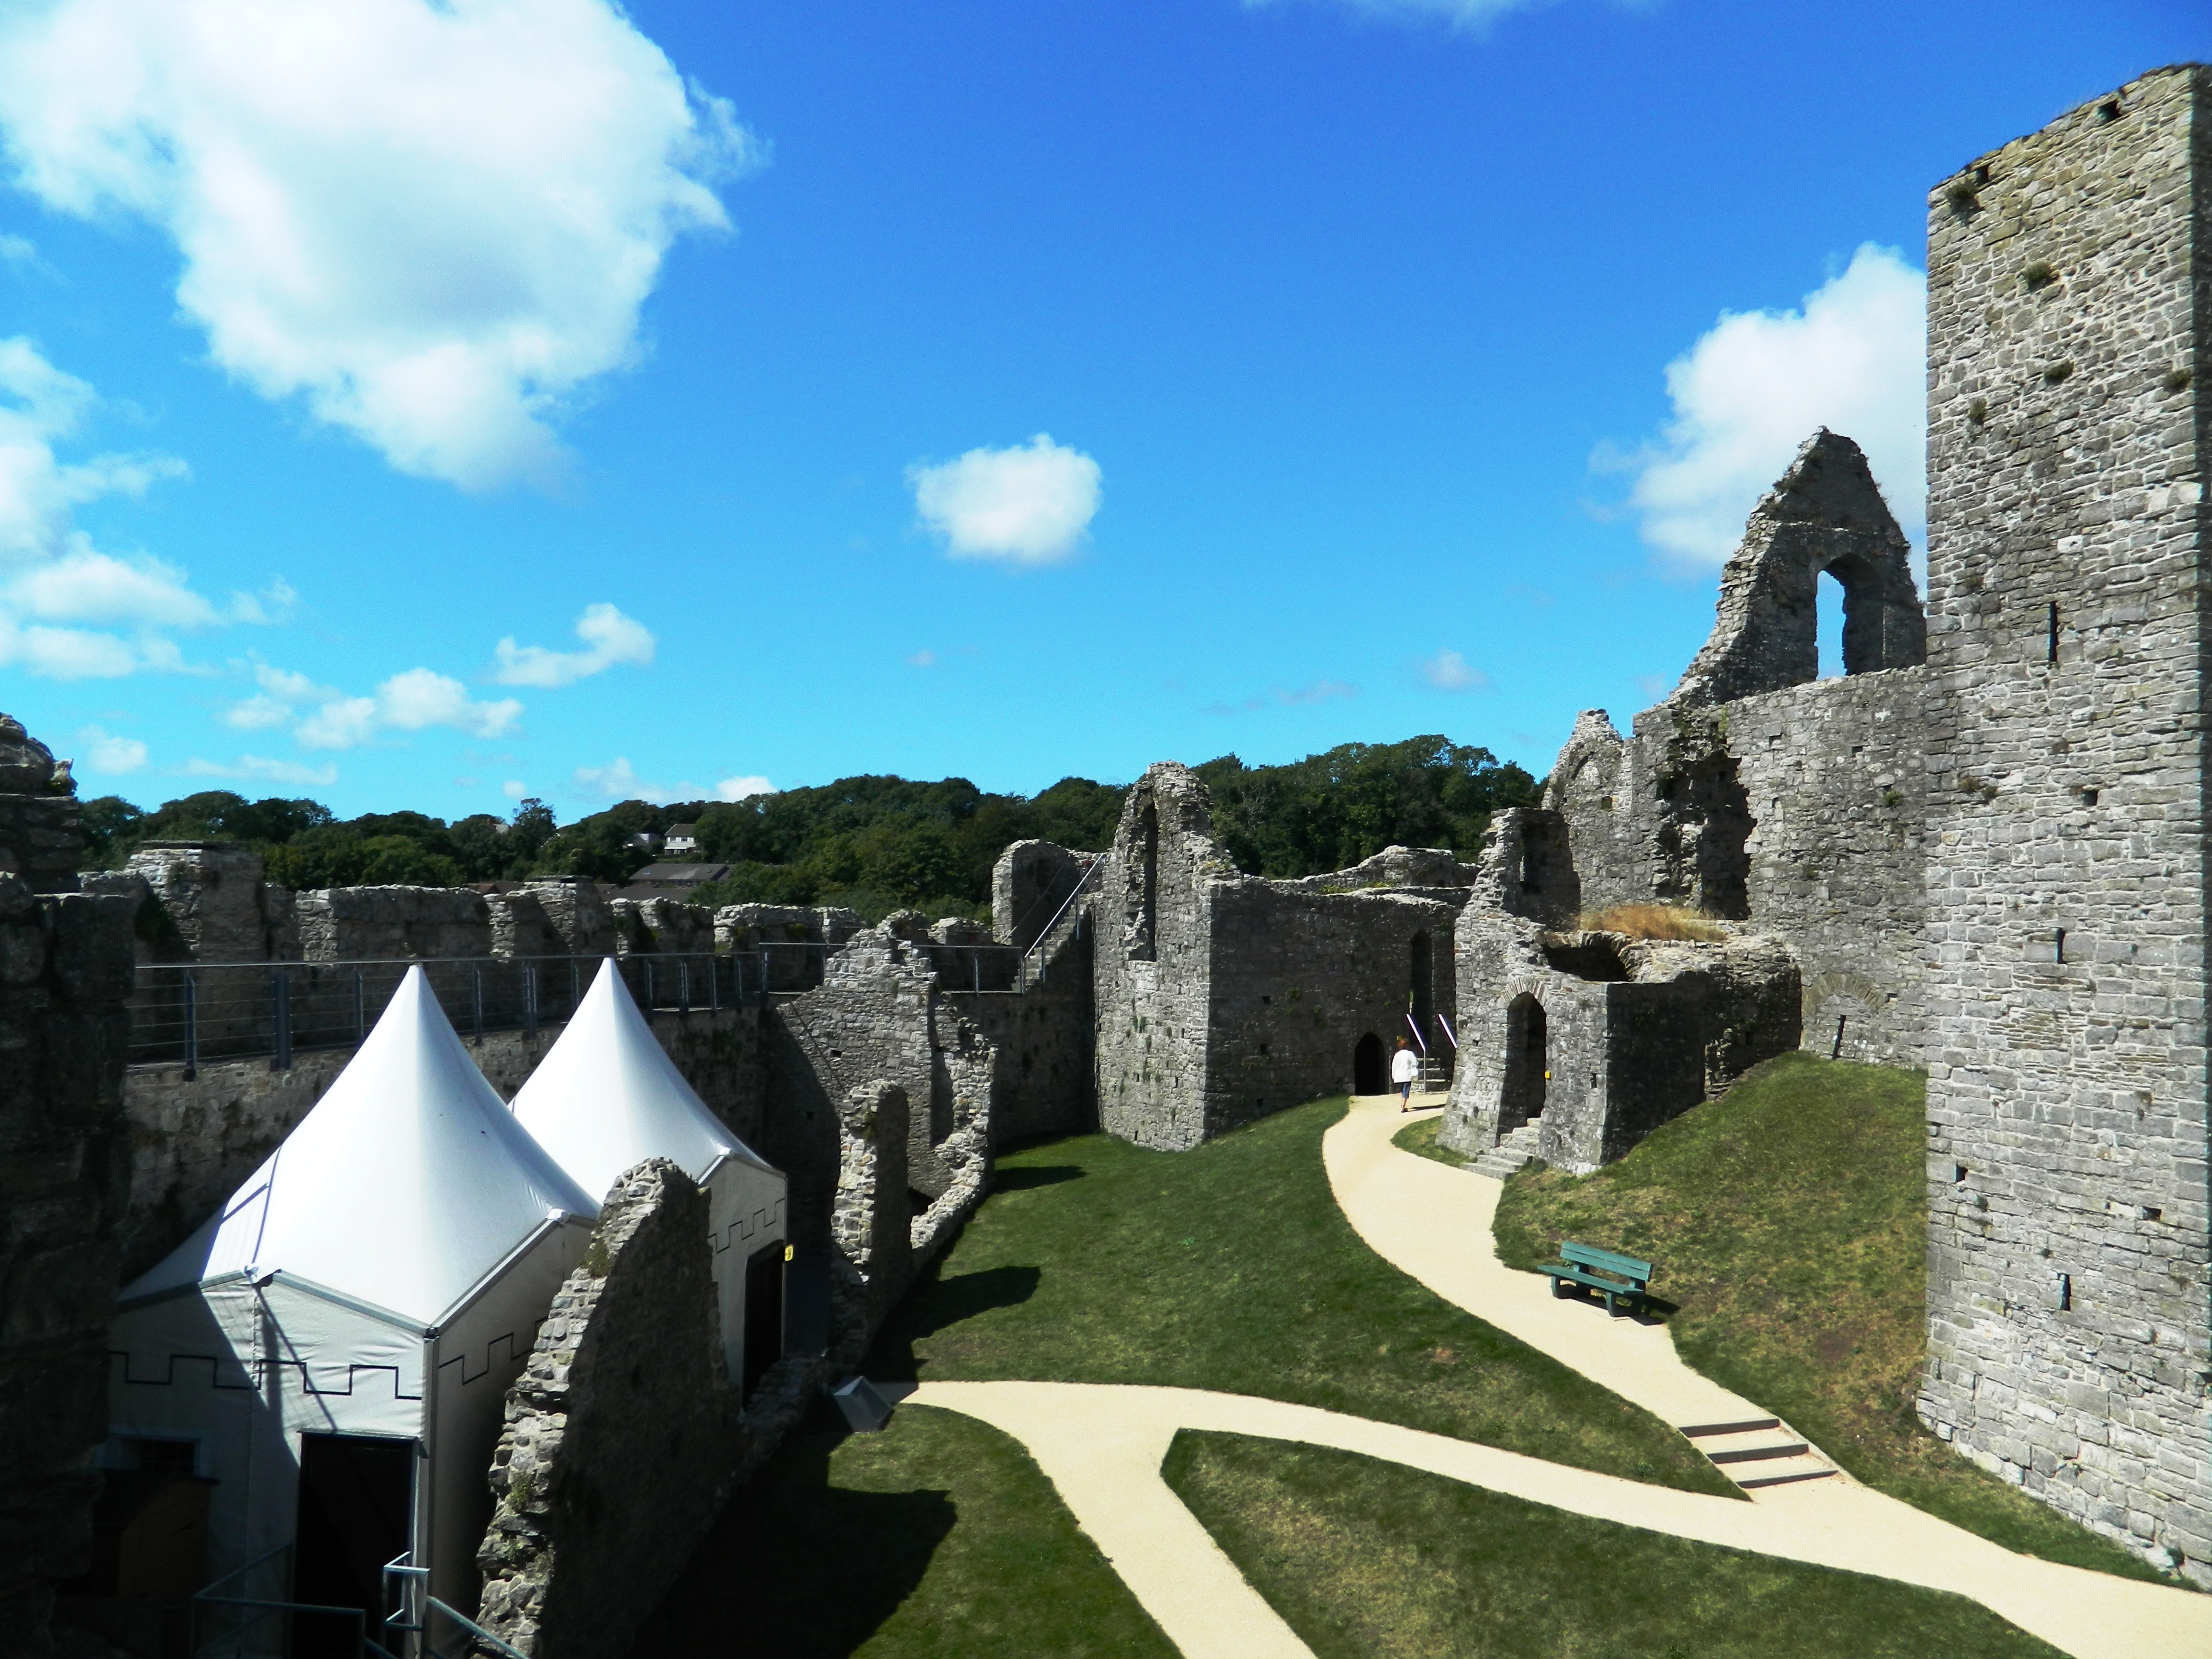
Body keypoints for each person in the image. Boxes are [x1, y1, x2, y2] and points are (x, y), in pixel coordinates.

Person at [1392, 1035, 1421, 1111]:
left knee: (1402, 1090)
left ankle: (1403, 1103)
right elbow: (1415, 1063)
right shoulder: (1410, 1054)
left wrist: (1393, 1076)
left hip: (1399, 1076)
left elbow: (1394, 1066)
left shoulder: (1397, 1055)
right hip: (1407, 1075)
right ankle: (1403, 1107)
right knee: (1406, 1091)